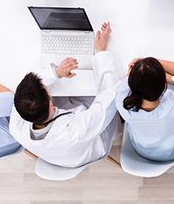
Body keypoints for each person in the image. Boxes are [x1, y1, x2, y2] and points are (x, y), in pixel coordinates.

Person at [10, 23, 119, 168]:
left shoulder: (16, 124)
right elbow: (110, 95)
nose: (46, 86)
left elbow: (22, 94)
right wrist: (100, 52)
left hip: (59, 153)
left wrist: (56, 72)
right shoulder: (77, 130)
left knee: (70, 94)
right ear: (50, 104)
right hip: (89, 148)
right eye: (45, 88)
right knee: (102, 93)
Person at [116, 57, 174, 162]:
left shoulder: (122, 102)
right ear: (164, 86)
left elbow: (129, 77)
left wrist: (144, 66)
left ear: (131, 85)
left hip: (143, 150)